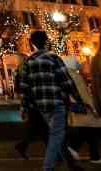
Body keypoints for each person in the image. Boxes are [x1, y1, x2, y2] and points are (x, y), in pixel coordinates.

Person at [17, 30, 82, 171]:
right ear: (46, 41)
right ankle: (48, 167)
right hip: (56, 102)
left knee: (57, 135)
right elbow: (66, 81)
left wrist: (24, 107)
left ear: (32, 43)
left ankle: (71, 164)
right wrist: (78, 99)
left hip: (41, 106)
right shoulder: (53, 58)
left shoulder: (28, 62)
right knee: (56, 135)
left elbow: (25, 89)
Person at [61, 55, 101, 165]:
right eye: (76, 62)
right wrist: (93, 107)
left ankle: (91, 155)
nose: (78, 64)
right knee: (94, 128)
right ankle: (74, 149)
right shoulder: (75, 76)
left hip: (75, 107)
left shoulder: (64, 75)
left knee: (89, 130)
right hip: (83, 107)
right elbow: (83, 94)